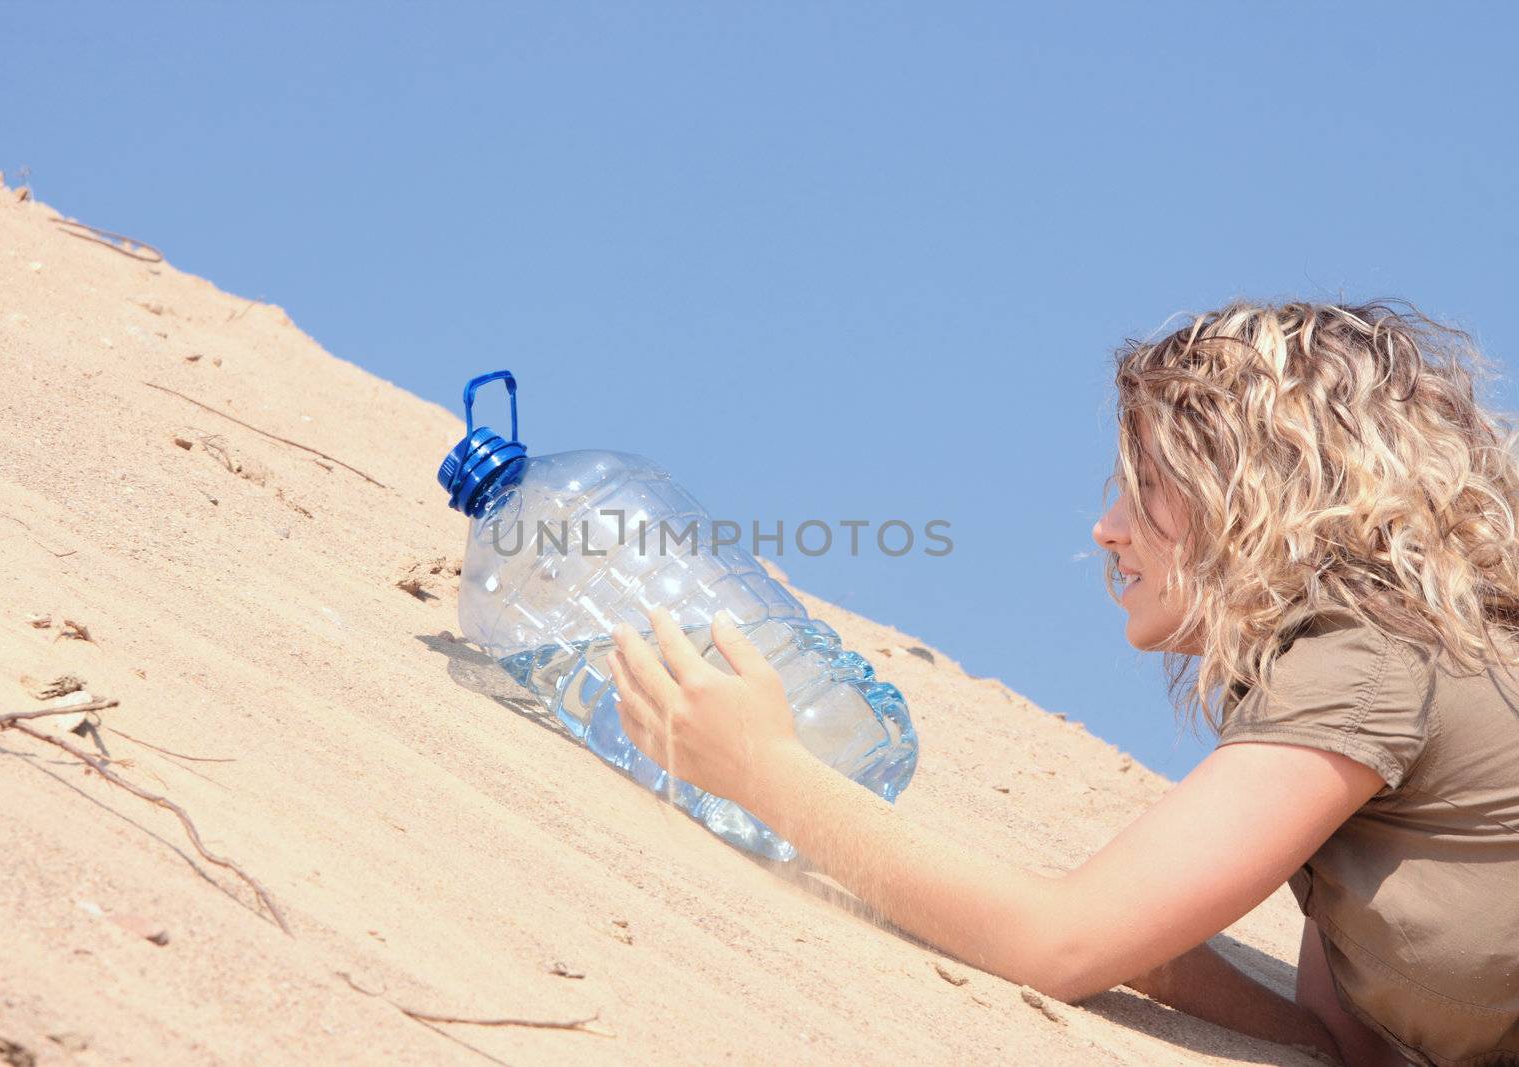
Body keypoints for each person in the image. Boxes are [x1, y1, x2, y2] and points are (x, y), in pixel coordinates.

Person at [607, 301, 1519, 1067]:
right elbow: (1344, 1043)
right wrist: (1153, 946)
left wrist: (764, 771)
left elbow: (1056, 944)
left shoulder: (1370, 659)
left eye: (1148, 484)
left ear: (1261, 491)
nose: (1106, 527)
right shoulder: (1352, 676)